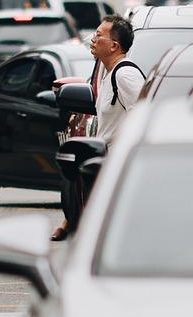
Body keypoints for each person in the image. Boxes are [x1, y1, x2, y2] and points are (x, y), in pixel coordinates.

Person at [50, 16, 144, 243]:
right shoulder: (109, 75)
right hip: (107, 166)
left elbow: (144, 115)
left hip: (120, 167)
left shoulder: (125, 75)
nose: (93, 39)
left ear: (114, 46)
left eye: (99, 35)